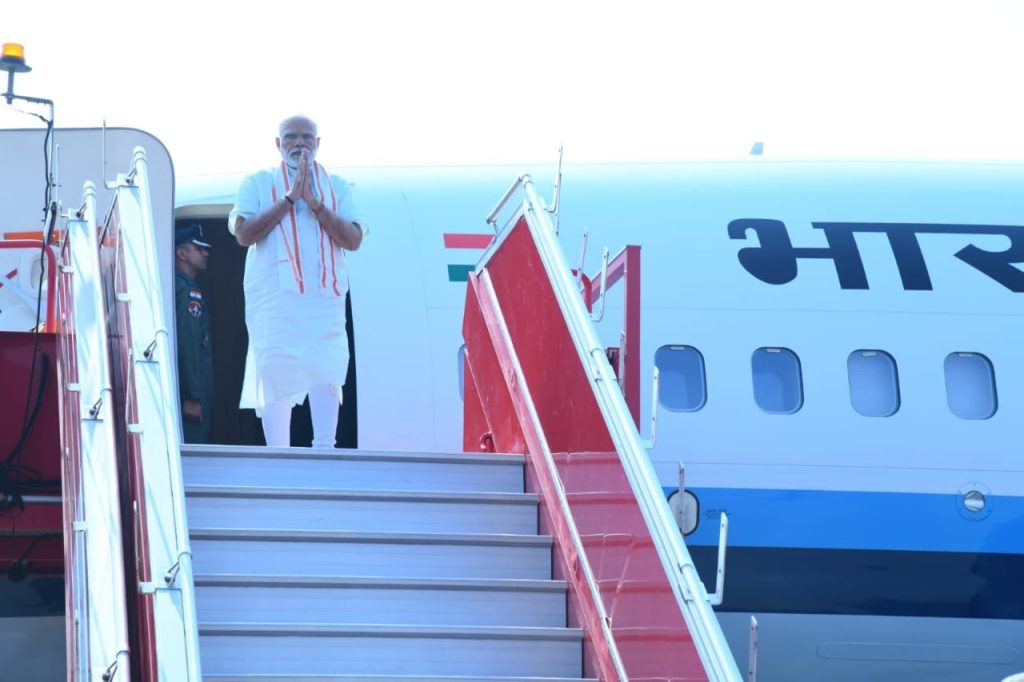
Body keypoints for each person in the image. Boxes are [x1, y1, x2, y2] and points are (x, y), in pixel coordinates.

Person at [228, 115, 365, 448]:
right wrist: (289, 199)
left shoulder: (338, 187)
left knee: (327, 371)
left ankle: (325, 448)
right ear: (278, 143)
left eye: (307, 137)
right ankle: (279, 454)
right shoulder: (257, 183)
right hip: (276, 300)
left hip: (323, 300)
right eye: (291, 137)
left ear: (318, 144)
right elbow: (244, 234)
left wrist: (315, 203)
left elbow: (353, 239)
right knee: (276, 372)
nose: (299, 143)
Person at [174, 221, 214, 444]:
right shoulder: (187, 291)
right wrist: (192, 396)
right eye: (198, 248)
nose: (205, 253)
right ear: (182, 253)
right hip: (188, 397)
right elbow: (188, 342)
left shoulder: (181, 285)